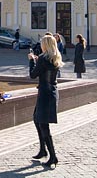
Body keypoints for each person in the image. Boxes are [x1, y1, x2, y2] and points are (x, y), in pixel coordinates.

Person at [28, 33, 62, 168]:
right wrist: (37, 60)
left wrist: (31, 60)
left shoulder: (43, 58)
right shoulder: (55, 57)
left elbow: (32, 75)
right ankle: (43, 150)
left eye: (42, 43)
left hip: (45, 95)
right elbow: (44, 68)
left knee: (43, 124)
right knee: (37, 119)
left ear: (45, 45)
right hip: (51, 93)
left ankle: (53, 156)